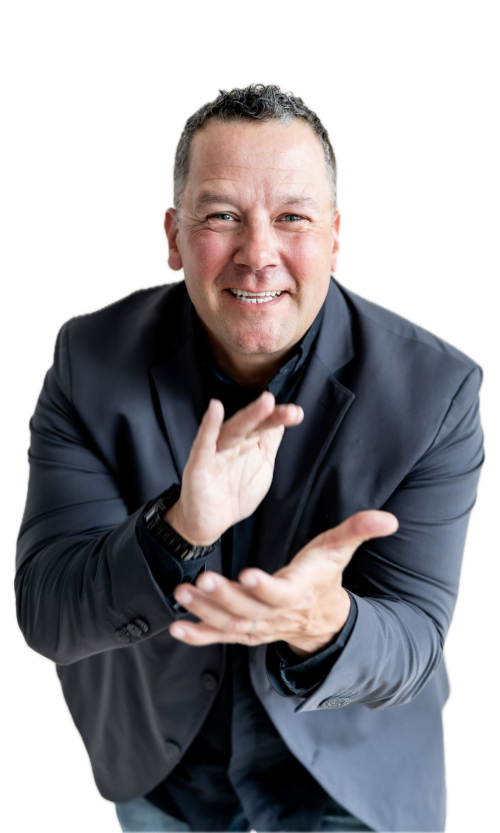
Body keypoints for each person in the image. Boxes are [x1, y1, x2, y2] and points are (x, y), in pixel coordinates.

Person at [14, 83, 485, 833]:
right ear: (172, 236)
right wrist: (176, 528)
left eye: (291, 217)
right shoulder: (88, 357)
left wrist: (325, 620)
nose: (258, 254)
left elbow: (415, 639)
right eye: (223, 216)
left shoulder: (437, 390)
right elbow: (47, 612)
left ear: (334, 236)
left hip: (351, 772)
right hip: (162, 767)